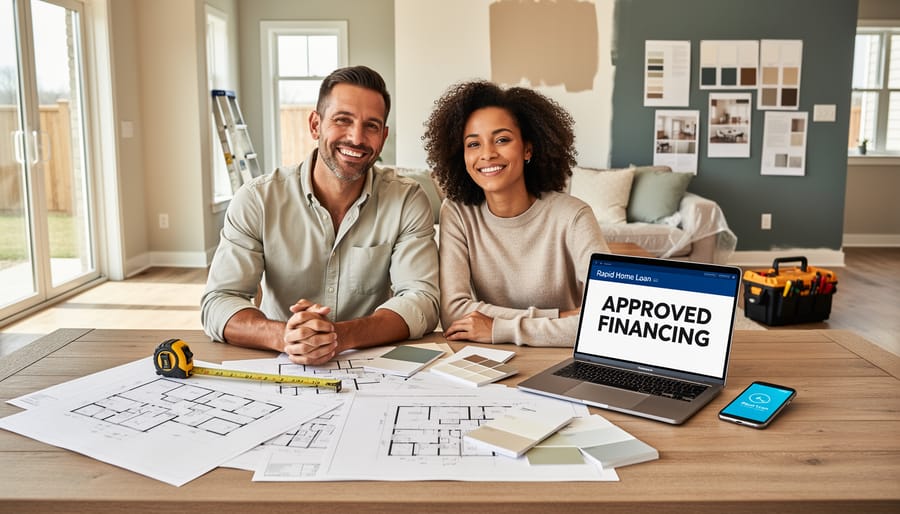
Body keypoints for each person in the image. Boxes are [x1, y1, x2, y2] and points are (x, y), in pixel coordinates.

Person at [202, 65, 439, 365]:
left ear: (383, 136)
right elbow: (218, 302)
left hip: (373, 365)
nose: (356, 137)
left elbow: (422, 301)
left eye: (371, 126)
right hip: (282, 361)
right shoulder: (257, 199)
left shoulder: (407, 200)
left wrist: (338, 336)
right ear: (315, 124)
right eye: (343, 120)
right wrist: (285, 336)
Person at [423, 80, 609, 347]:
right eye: (473, 144)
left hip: (557, 356)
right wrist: (558, 318)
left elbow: (606, 316)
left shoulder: (573, 215)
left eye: (502, 140)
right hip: (491, 357)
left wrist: (500, 328)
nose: (487, 154)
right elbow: (454, 313)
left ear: (527, 149)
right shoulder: (458, 212)